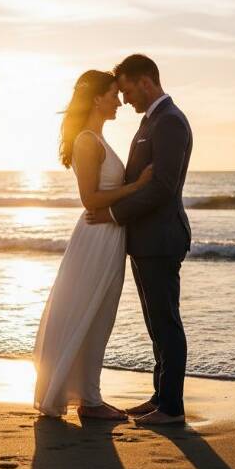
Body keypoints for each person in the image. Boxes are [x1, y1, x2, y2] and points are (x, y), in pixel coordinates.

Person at [33, 69, 153, 419]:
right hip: (96, 237)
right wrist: (137, 186)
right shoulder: (87, 140)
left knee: (100, 315)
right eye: (114, 94)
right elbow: (90, 198)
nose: (119, 101)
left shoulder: (96, 139)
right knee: (90, 313)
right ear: (98, 98)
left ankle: (89, 396)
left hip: (108, 236)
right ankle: (90, 401)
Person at [87, 54, 193, 425]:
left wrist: (113, 214)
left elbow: (162, 186)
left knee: (167, 322)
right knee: (155, 324)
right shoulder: (152, 121)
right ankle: (159, 396)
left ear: (146, 81)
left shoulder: (170, 122)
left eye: (128, 90)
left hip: (161, 238)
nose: (126, 99)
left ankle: (172, 408)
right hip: (146, 239)